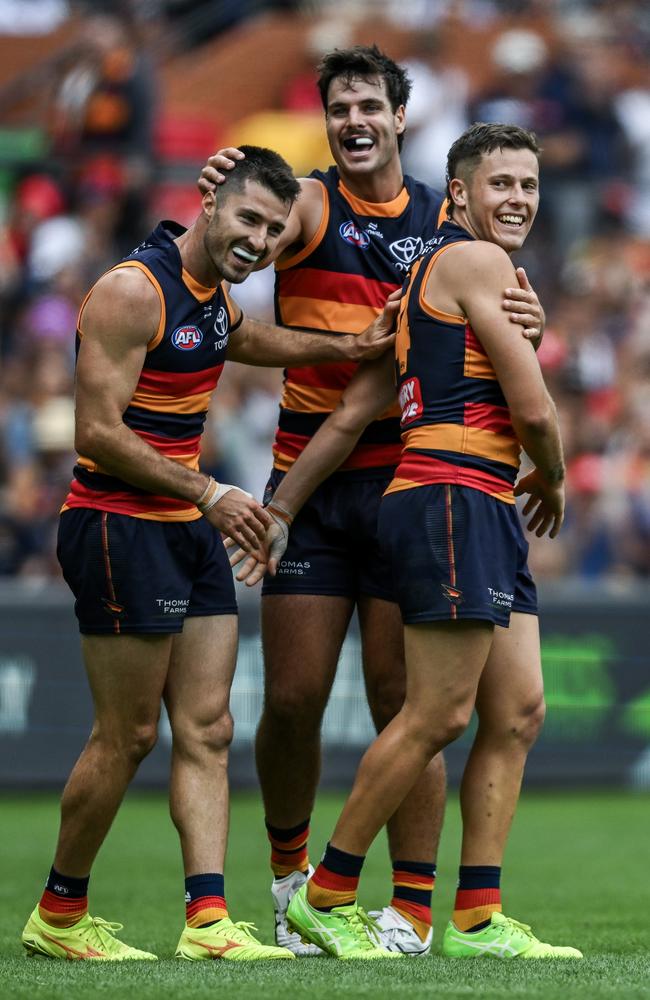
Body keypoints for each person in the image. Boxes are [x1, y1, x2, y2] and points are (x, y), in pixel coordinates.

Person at [199, 45, 546, 956]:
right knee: (295, 699)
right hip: (312, 481)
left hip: (412, 480)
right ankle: (291, 881)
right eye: (339, 108)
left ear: (401, 118)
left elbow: (502, 304)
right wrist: (225, 203)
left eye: (369, 107)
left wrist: (530, 313)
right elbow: (229, 257)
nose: (353, 121)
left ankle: (409, 910)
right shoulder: (311, 204)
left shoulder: (449, 216)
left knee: (411, 700)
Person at [20, 145, 397, 963]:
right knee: (126, 736)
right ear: (210, 205)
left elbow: (243, 337)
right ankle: (57, 913)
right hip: (121, 525)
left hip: (186, 526)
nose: (260, 241)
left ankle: (208, 923)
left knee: (210, 727)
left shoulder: (208, 296)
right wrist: (211, 494)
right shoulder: (131, 290)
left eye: (273, 230)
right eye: (249, 220)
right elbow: (94, 434)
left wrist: (345, 347)